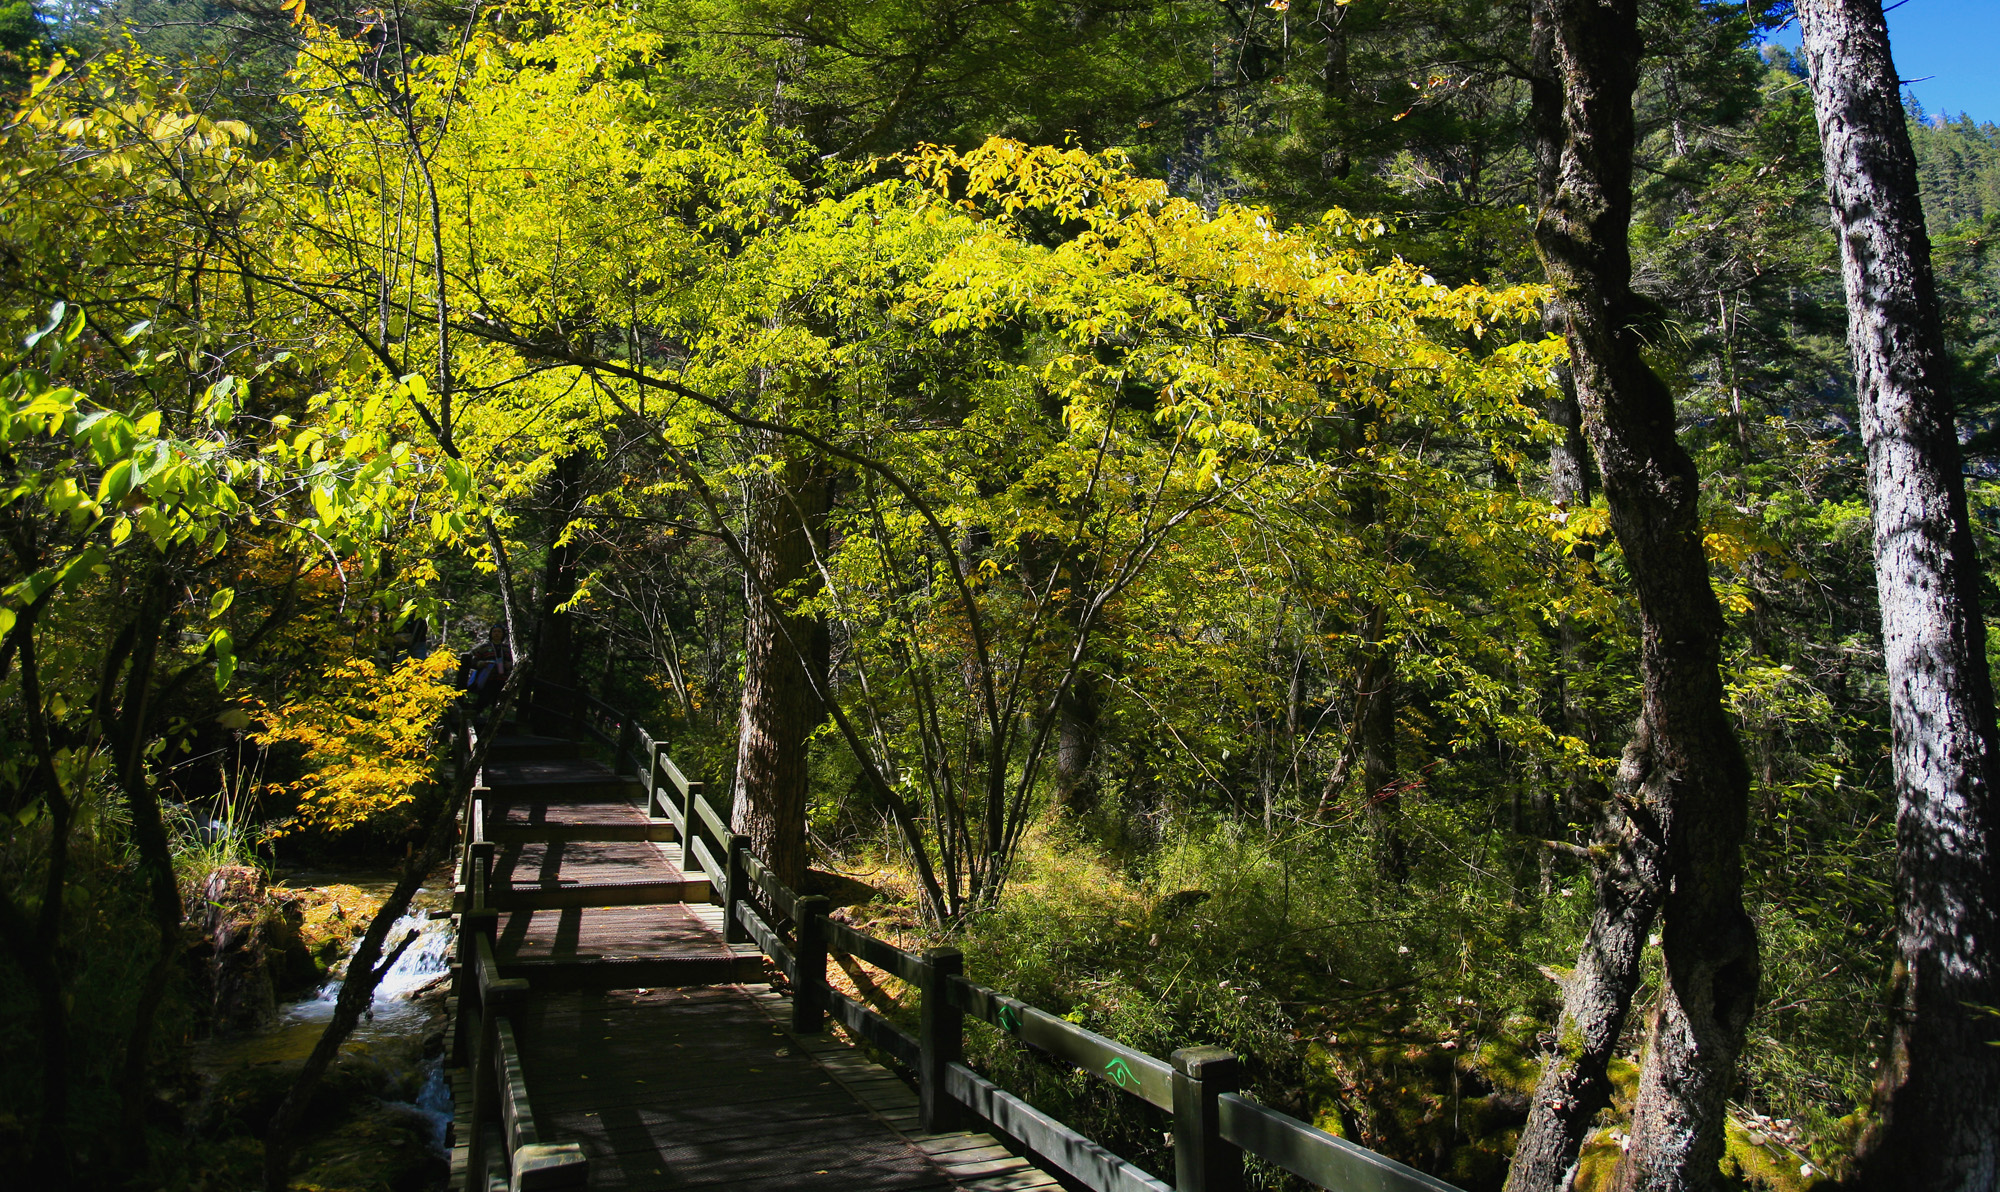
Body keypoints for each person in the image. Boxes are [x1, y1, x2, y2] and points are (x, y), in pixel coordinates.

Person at [458, 624, 511, 708]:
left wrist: (510, 665)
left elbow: (514, 662)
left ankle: (494, 719)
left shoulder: (508, 649)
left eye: (499, 632)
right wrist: (479, 663)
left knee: (499, 704)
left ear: (503, 634)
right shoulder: (484, 647)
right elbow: (470, 659)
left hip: (503, 680)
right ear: (491, 634)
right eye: (494, 631)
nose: (496, 633)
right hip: (487, 679)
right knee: (483, 702)